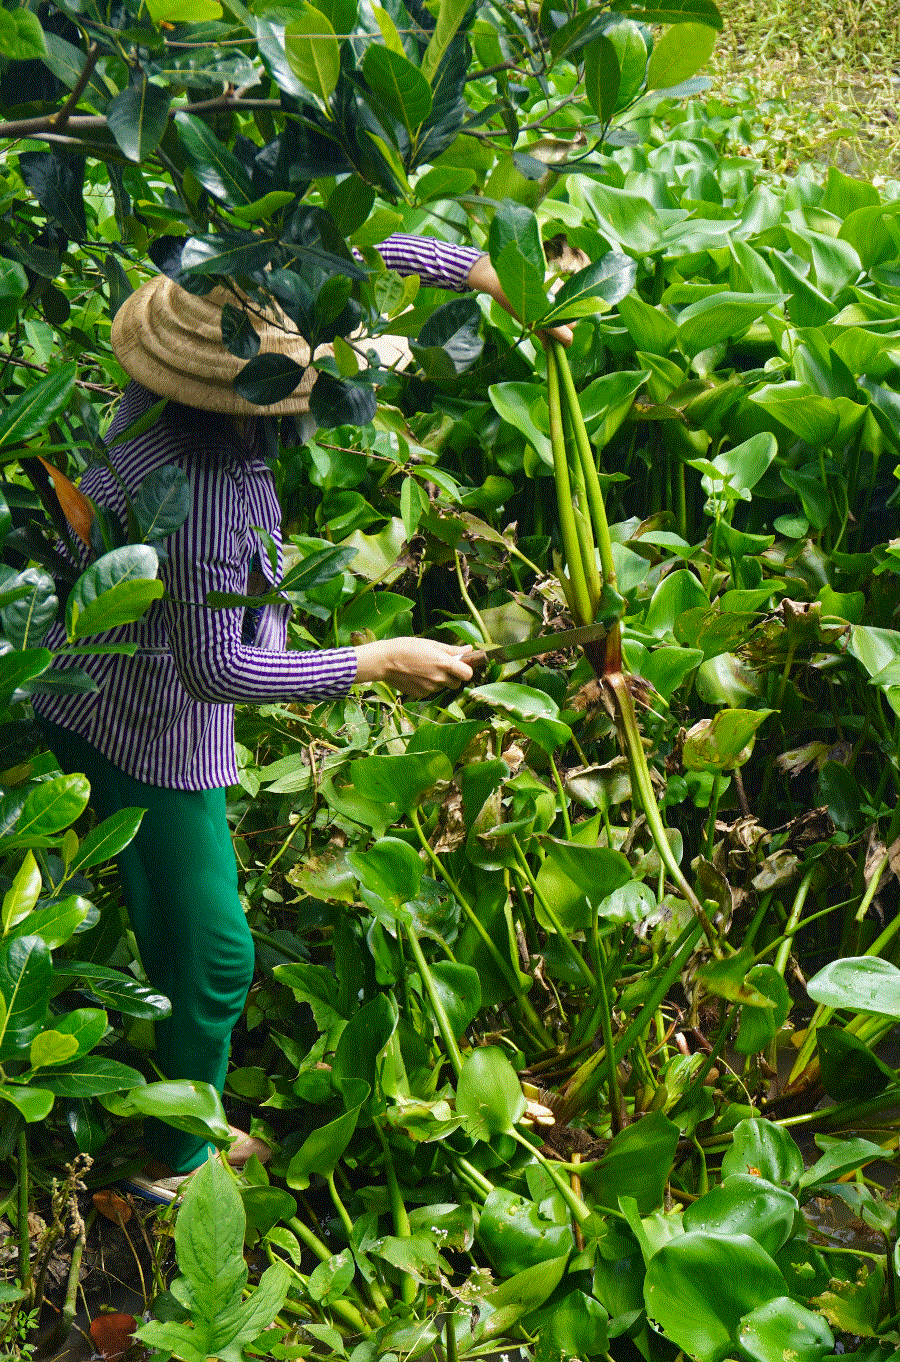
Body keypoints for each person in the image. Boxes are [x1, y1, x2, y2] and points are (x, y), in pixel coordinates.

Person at [31, 233, 567, 1203]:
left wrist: (492, 279)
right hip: (150, 717)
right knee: (219, 955)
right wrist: (375, 662)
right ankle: (178, 1161)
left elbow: (360, 254)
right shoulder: (209, 495)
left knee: (166, 912)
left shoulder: (173, 380)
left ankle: (169, 1079)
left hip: (78, 674)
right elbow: (216, 668)